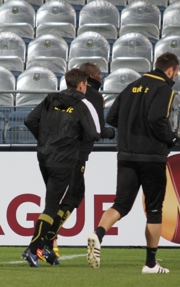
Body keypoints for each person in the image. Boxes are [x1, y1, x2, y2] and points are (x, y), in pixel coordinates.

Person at [86, 52, 180, 274]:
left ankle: (98, 233)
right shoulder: (164, 88)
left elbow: (111, 118)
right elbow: (156, 118)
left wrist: (131, 128)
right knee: (155, 210)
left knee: (121, 204)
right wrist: (169, 138)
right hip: (152, 157)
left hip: (126, 155)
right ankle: (150, 264)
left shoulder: (132, 86)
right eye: (176, 72)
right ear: (170, 70)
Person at [23, 68, 101, 268]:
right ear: (82, 85)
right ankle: (34, 249)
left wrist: (45, 140)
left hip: (44, 157)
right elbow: (94, 133)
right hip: (65, 160)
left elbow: (30, 120)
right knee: (53, 204)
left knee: (61, 199)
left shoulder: (51, 99)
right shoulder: (82, 104)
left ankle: (46, 244)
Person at [43, 62, 115, 259]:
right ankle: (49, 237)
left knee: (58, 198)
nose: (101, 77)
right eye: (99, 74)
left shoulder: (61, 95)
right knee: (74, 196)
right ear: (90, 76)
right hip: (76, 155)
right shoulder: (93, 97)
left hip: (53, 153)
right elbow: (97, 130)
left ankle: (48, 237)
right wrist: (112, 132)